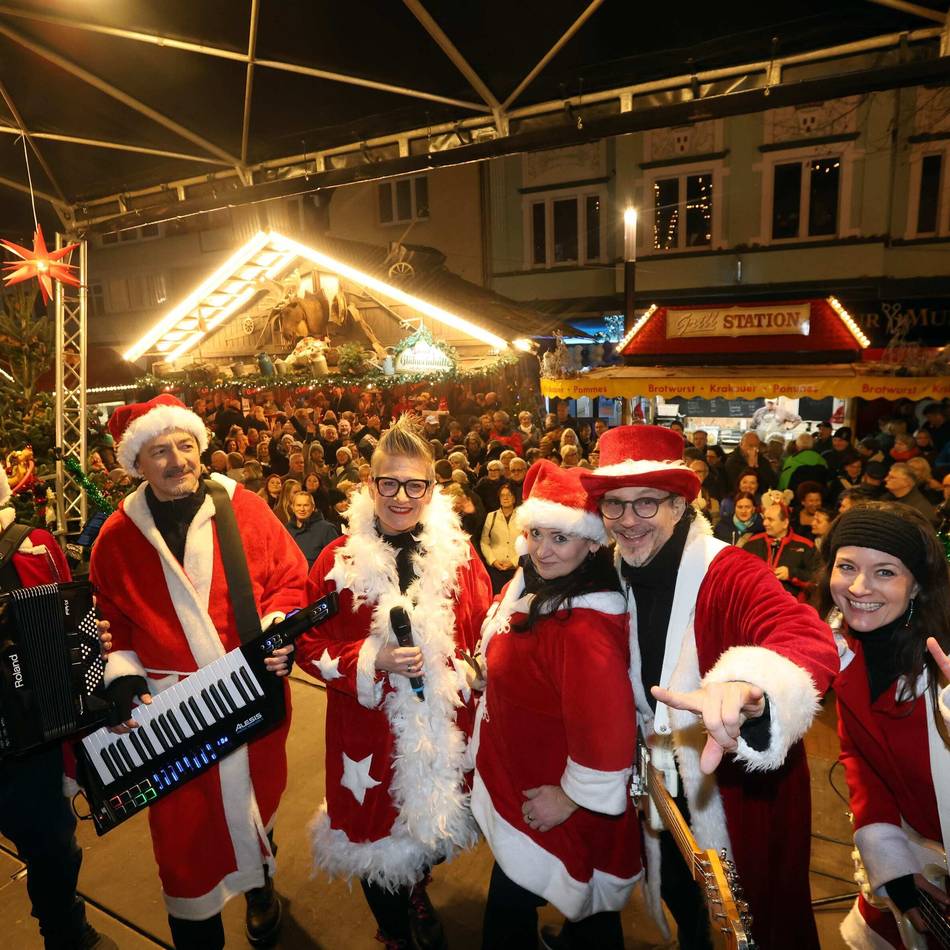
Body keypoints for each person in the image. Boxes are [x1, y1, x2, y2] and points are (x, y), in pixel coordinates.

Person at [579, 425, 838, 949]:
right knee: (682, 894)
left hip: (733, 788)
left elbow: (800, 632)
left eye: (647, 503)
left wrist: (751, 683)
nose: (628, 522)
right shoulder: (612, 569)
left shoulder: (730, 571)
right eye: (615, 505)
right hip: (660, 785)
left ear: (679, 505)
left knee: (752, 918)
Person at [89, 394, 306, 950]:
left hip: (248, 692)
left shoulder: (246, 508)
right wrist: (124, 676)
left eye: (185, 445)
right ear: (137, 462)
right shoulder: (114, 538)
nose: (177, 460)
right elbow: (110, 621)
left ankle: (260, 886)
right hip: (169, 711)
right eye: (159, 450)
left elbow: (289, 578)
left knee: (257, 799)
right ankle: (197, 929)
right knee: (182, 837)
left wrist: (278, 630)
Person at [296, 416, 492, 950]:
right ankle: (393, 929)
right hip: (368, 734)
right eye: (389, 483)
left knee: (431, 825)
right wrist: (371, 658)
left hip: (442, 727)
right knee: (374, 839)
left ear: (431, 489)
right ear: (369, 485)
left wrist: (472, 668)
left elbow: (483, 632)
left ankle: (416, 889)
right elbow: (308, 649)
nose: (400, 497)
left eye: (414, 485)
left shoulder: (464, 559)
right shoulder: (335, 564)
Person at [472, 461, 640, 949]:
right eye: (536, 533)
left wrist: (570, 797)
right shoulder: (534, 583)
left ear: (592, 542)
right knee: (580, 911)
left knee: (517, 909)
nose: (543, 550)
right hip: (527, 779)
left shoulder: (585, 625)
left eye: (560, 538)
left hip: (556, 799)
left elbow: (607, 727)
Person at [815, 503, 950, 948]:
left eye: (885, 572)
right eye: (847, 566)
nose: (858, 587)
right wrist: (891, 864)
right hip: (919, 867)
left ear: (916, 587)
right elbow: (859, 756)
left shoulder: (941, 660)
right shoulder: (845, 651)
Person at [744, 501, 819, 599]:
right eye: (765, 518)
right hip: (754, 602)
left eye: (770, 520)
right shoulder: (752, 543)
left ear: (785, 523)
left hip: (790, 607)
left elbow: (817, 579)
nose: (765, 523)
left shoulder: (805, 546)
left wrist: (791, 573)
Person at [479, 483, 520, 594]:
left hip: (516, 570)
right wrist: (492, 560)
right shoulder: (491, 516)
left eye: (509, 495)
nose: (505, 498)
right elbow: (484, 542)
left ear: (515, 498)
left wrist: (514, 562)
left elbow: (527, 543)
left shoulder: (522, 517)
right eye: (502, 495)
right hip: (496, 570)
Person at [285, 490, 339, 568]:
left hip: (314, 577)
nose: (302, 509)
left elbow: (336, 560)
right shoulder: (286, 529)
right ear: (292, 507)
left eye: (306, 505)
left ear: (313, 507)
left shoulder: (326, 529)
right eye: (298, 505)